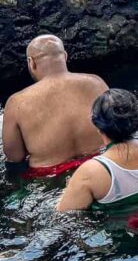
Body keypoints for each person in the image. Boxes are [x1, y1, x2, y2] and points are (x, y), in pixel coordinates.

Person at [57, 89, 138, 211]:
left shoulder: (91, 172)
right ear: (135, 119)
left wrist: (69, 189)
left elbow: (64, 213)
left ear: (97, 125)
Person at [3, 35, 107, 178]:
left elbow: (14, 158)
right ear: (64, 56)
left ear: (31, 62)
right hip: (102, 164)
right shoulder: (96, 83)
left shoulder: (16, 103)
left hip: (51, 178)